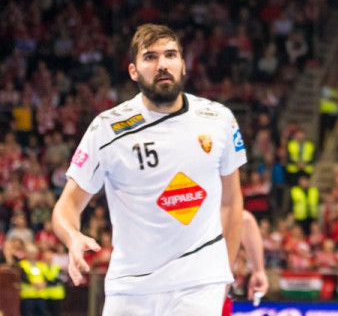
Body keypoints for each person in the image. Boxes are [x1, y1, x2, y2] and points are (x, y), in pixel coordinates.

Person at [51, 24, 246, 316]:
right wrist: (72, 236)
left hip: (200, 282)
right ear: (133, 71)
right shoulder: (107, 128)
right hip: (131, 286)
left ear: (183, 65)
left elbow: (231, 200)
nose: (162, 64)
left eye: (170, 55)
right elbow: (67, 204)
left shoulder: (219, 119)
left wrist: (224, 272)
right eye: (150, 57)